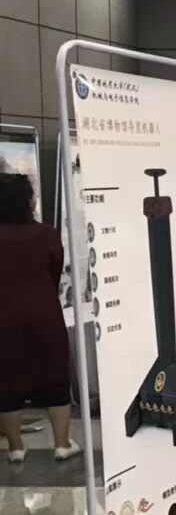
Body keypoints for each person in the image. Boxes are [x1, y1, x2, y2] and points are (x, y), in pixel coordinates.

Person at [0, 174, 80, 463]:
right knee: (55, 379)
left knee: (6, 382)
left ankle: (15, 449)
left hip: (4, 320)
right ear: (27, 201)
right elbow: (54, 271)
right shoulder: (47, 234)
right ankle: (62, 444)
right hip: (44, 316)